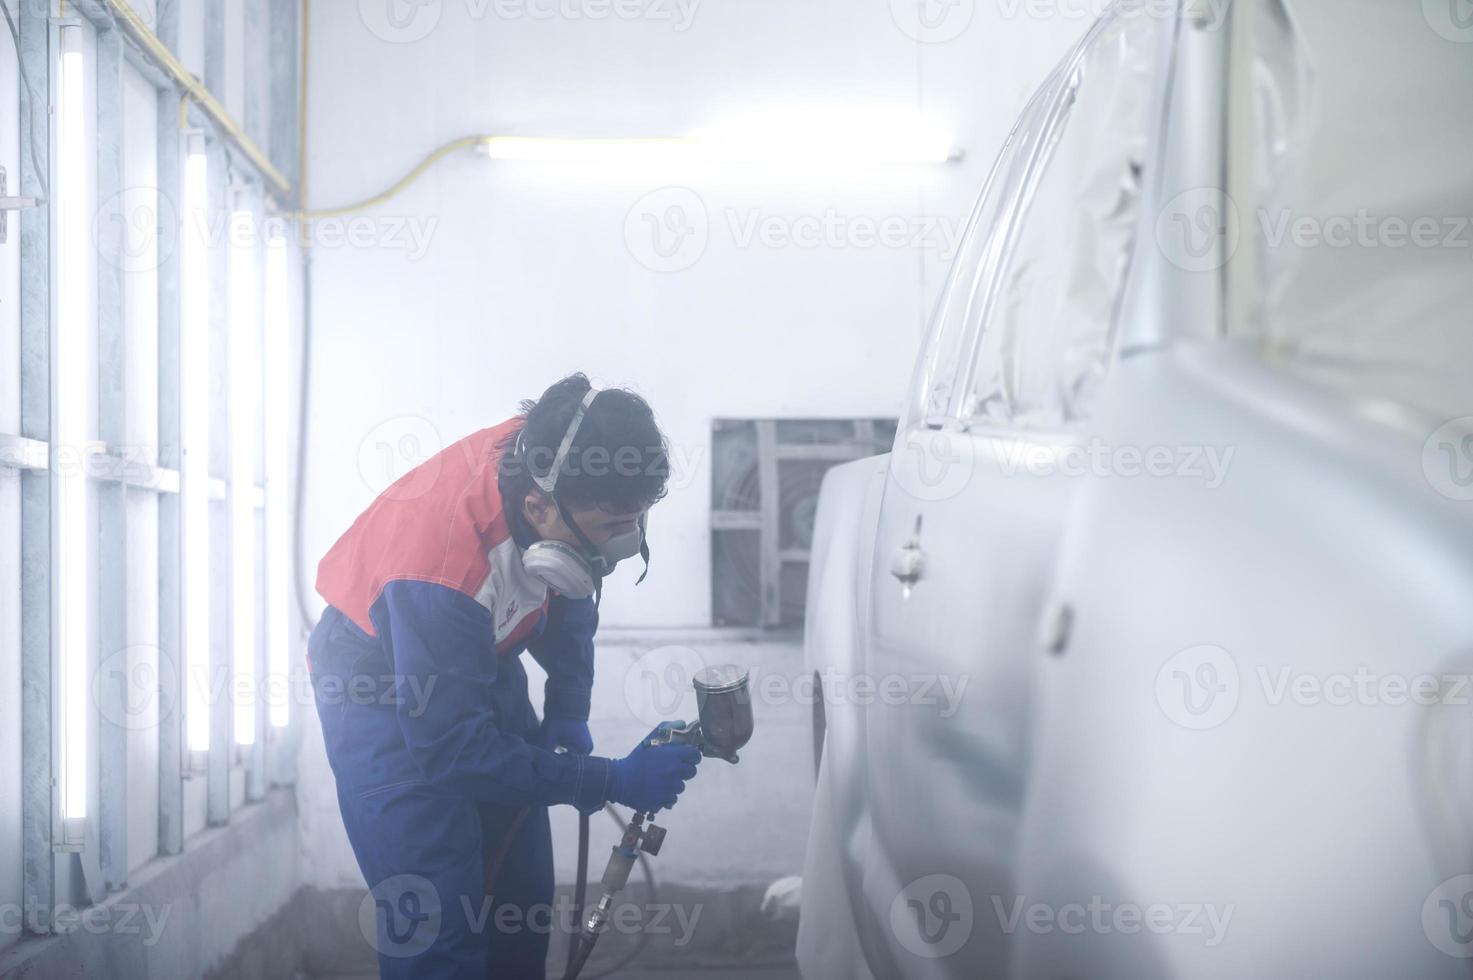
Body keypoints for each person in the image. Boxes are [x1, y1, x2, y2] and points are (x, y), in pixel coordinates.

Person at [307, 374, 701, 977]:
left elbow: (571, 584)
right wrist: (607, 781)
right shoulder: (437, 569)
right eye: (607, 530)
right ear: (537, 509)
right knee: (439, 924)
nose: (620, 549)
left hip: (480, 656)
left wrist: (568, 704)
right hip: (378, 687)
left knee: (521, 908)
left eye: (634, 524)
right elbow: (451, 750)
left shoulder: (558, 454)